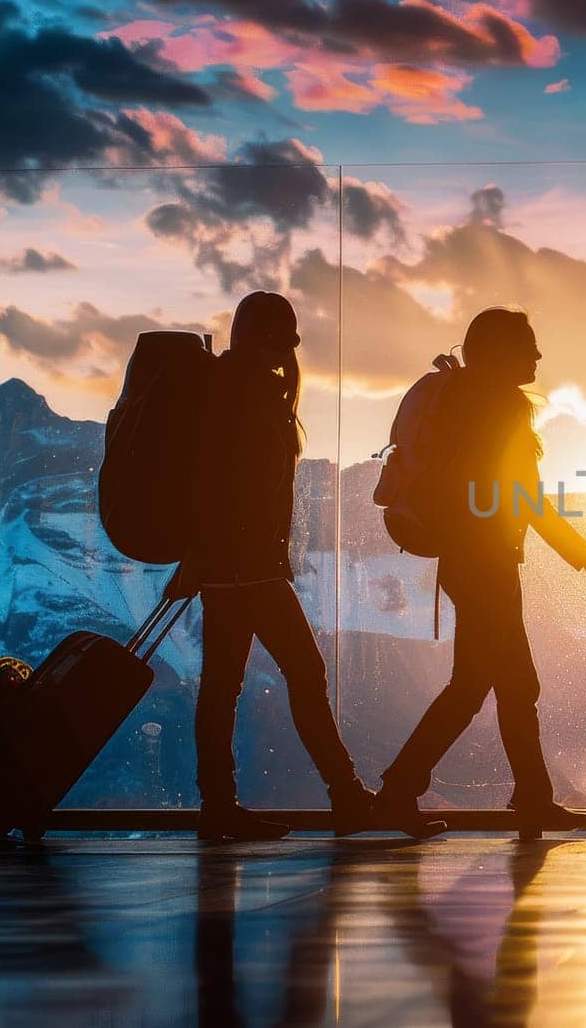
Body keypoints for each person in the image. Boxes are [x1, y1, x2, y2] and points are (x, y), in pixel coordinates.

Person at [374, 307, 586, 838]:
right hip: (486, 563)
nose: (537, 356)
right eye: (528, 346)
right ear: (498, 351)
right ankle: (404, 790)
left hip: (469, 560)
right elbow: (529, 501)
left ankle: (525, 798)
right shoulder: (499, 409)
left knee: (499, 685)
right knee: (491, 687)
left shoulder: (466, 402)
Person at [172, 292, 415, 841]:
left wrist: (205, 554)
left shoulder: (230, 387)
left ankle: (221, 805)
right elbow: (236, 484)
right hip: (247, 566)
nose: (290, 349)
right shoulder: (247, 393)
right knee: (301, 675)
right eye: (286, 336)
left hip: (232, 564)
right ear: (272, 339)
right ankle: (346, 799)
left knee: (224, 686)